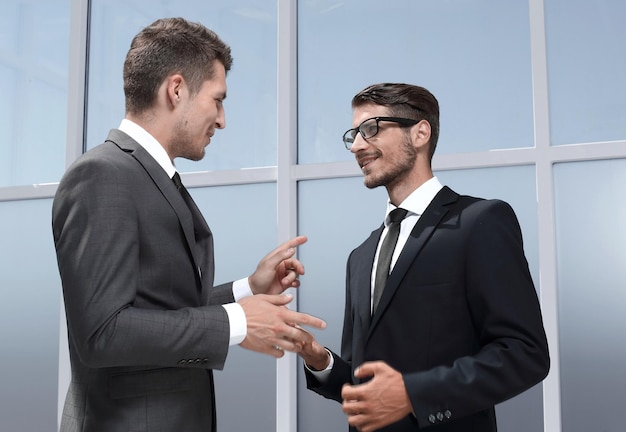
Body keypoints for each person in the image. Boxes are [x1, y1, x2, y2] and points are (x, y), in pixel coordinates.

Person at [52, 17, 325, 432]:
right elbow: (103, 332)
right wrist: (238, 322)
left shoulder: (148, 176)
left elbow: (157, 307)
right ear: (176, 90)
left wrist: (247, 289)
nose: (222, 120)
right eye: (217, 100)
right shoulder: (102, 175)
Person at [298, 83, 550, 431]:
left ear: (420, 133)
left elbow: (525, 353)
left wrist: (414, 395)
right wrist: (321, 361)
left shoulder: (479, 222)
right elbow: (363, 384)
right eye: (353, 134)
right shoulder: (361, 257)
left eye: (370, 129)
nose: (356, 145)